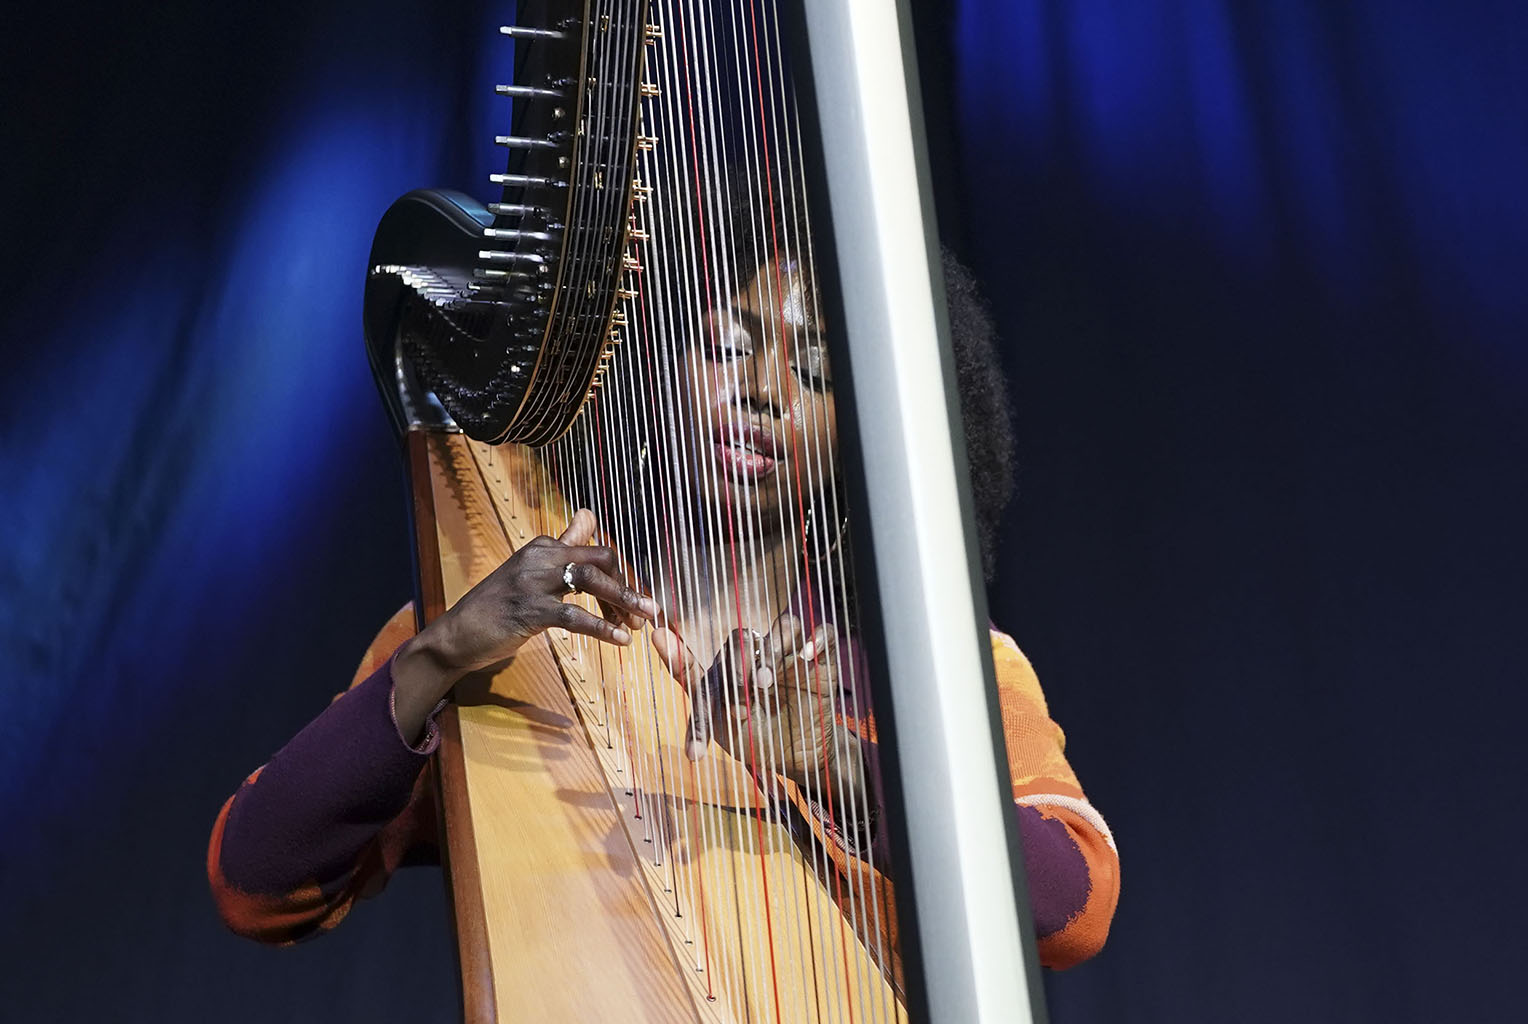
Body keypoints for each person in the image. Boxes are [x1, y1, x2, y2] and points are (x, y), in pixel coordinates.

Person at [207, 244, 1120, 971]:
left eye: (813, 371)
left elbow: (1073, 908)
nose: (761, 390)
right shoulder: (505, 629)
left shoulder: (938, 661)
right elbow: (254, 882)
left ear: (868, 426)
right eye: (728, 345)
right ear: (660, 363)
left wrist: (837, 766)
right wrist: (436, 659)